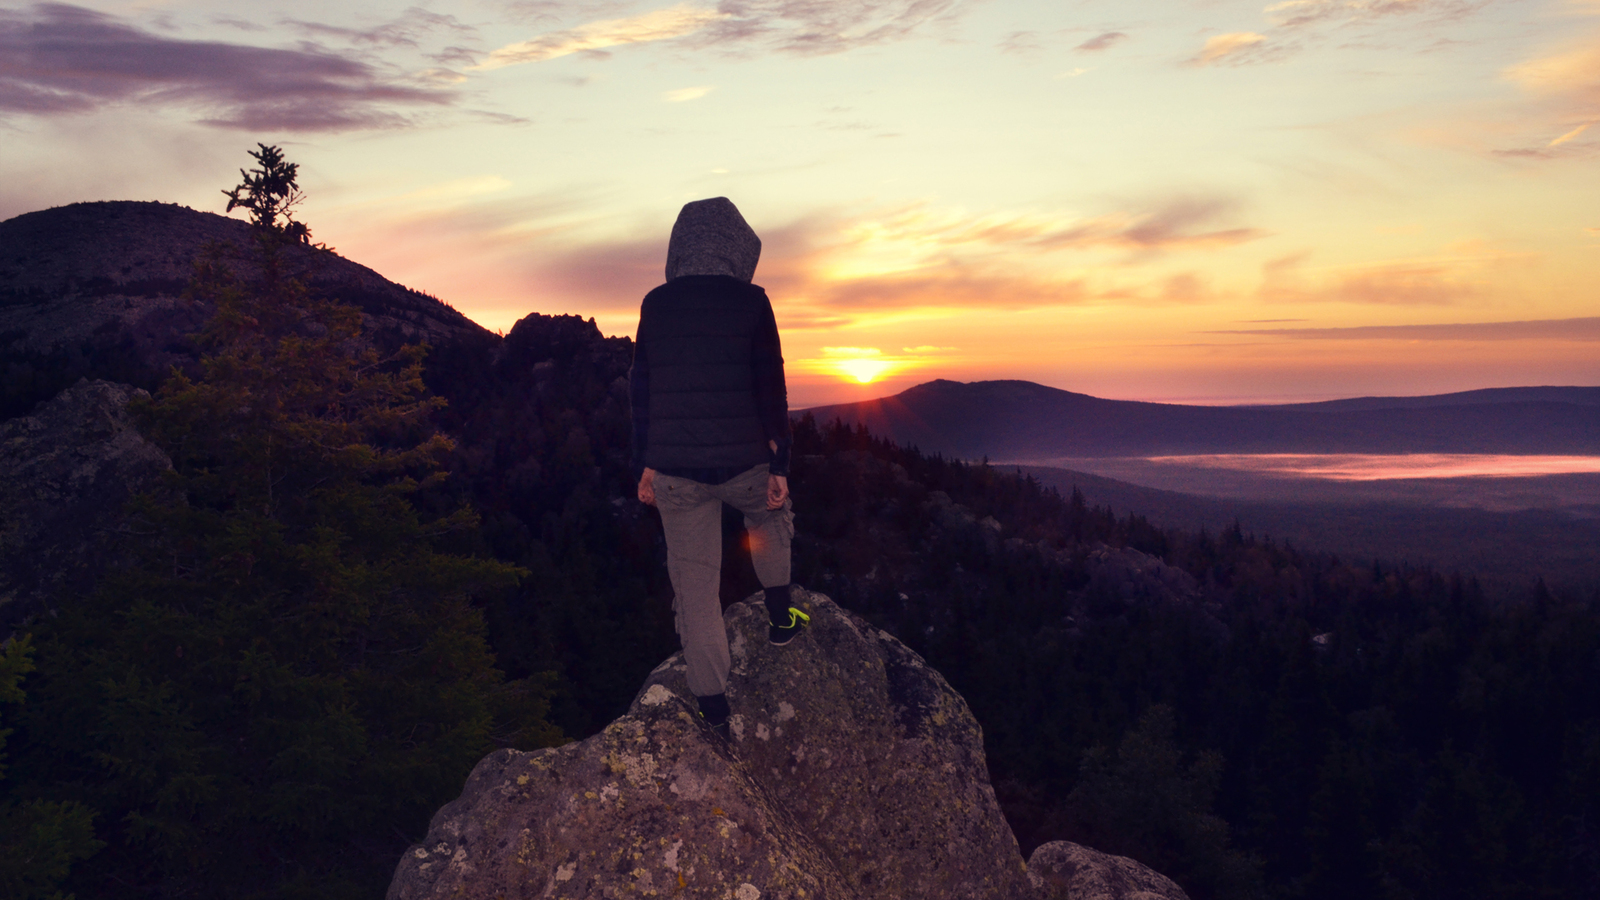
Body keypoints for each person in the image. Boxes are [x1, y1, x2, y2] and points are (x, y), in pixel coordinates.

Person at [630, 197, 805, 734]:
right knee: (770, 518)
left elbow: (642, 388)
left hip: (676, 469)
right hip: (746, 460)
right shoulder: (753, 302)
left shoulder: (655, 304)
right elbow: (770, 383)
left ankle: (713, 710)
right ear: (736, 248)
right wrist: (781, 461)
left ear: (680, 246)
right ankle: (780, 618)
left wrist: (645, 464)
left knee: (695, 585)